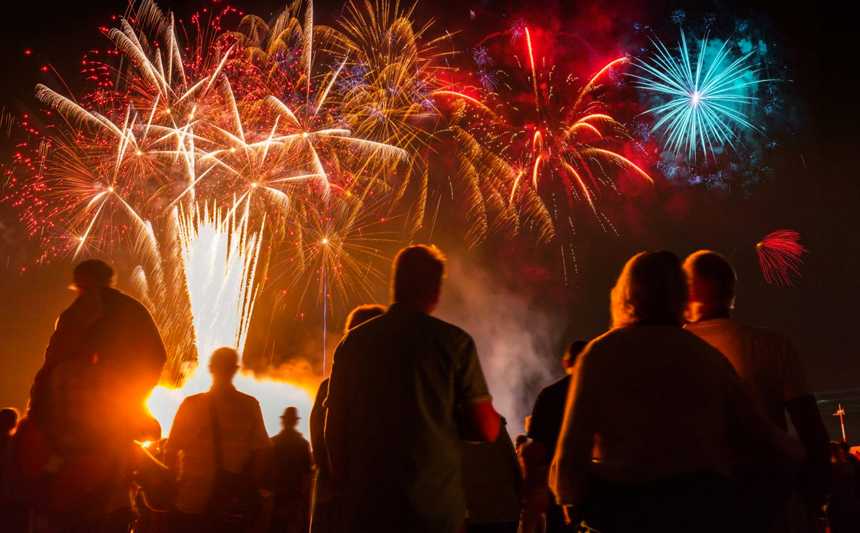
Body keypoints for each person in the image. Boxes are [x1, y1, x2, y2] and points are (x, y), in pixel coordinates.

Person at [550, 251, 804, 533]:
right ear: (681, 296)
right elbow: (764, 437)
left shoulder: (599, 354)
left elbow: (572, 446)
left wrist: (570, 500)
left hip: (624, 511)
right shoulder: (706, 357)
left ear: (625, 291)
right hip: (701, 510)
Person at [325, 245, 501, 533]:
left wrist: (346, 489)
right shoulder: (454, 343)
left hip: (366, 512)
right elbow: (486, 429)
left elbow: (334, 429)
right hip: (433, 512)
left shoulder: (353, 343)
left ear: (395, 285)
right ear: (435, 290)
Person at [8, 259, 167, 532]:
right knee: (137, 443)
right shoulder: (134, 310)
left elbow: (51, 362)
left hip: (75, 397)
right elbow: (157, 357)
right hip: (118, 398)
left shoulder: (74, 315)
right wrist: (135, 397)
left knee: (19, 448)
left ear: (82, 282)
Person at [683, 250, 830, 531]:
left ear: (688, 292)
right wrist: (812, 498)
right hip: (772, 500)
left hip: (701, 505)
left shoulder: (673, 350)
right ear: (731, 291)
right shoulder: (774, 344)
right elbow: (812, 430)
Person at [164, 347, 272, 533]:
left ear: (211, 369)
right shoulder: (249, 405)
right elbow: (262, 451)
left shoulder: (190, 405)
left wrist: (170, 489)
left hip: (189, 502)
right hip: (228, 504)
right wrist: (248, 488)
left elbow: (171, 451)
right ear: (235, 370)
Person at [309, 304, 385, 533]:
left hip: (332, 499)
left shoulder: (328, 387)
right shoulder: (388, 389)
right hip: (370, 499)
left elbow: (319, 441)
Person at [522, 341, 587, 533]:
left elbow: (538, 449)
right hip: (594, 485)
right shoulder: (604, 393)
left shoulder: (549, 395)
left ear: (566, 363)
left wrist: (529, 485)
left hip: (558, 486)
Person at [462, 417, 522, 533]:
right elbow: (515, 468)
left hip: (470, 512)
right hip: (502, 510)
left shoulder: (447, 429)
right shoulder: (495, 425)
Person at [269, 407, 313, 533]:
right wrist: (307, 499)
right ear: (295, 422)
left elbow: (267, 470)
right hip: (295, 499)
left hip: (275, 498)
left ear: (283, 421)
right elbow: (307, 474)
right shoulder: (303, 444)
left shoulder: (273, 442)